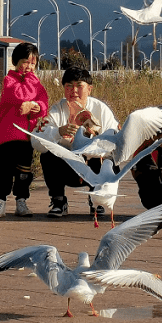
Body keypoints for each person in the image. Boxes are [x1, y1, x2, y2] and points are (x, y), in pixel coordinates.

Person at [38, 66, 120, 218]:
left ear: (89, 89)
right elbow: (38, 141)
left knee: (110, 159)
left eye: (79, 86)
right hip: (68, 168)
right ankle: (58, 201)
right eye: (69, 86)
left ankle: (97, 200)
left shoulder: (101, 109)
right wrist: (58, 132)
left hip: (95, 165)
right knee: (47, 155)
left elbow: (114, 140)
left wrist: (94, 138)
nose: (73, 91)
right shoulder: (57, 110)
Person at [0, 42, 49, 218]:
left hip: (26, 136)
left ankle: (21, 201)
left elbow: (44, 102)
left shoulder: (36, 83)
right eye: (25, 61)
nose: (29, 67)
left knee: (24, 172)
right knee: (4, 170)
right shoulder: (9, 80)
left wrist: (37, 106)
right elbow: (17, 95)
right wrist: (31, 100)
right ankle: (0, 202)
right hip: (8, 135)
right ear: (16, 62)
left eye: (33, 63)